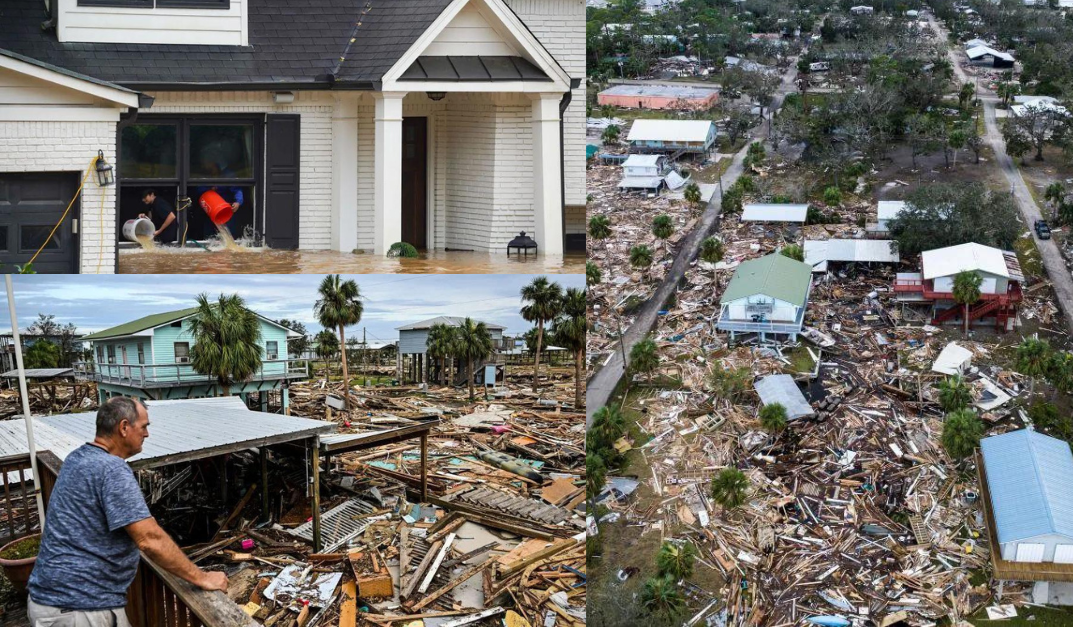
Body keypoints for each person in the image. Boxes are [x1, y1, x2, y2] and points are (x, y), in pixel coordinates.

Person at [27, 397, 227, 626]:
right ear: (123, 427)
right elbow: (149, 538)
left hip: (58, 601)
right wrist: (202, 578)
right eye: (144, 427)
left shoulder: (77, 458)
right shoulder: (111, 468)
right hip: (78, 607)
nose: (147, 434)